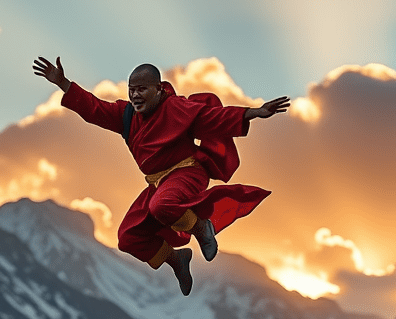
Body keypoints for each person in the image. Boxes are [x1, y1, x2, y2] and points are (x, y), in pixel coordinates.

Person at [32, 56, 289, 295]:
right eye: (131, 89)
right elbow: (94, 108)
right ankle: (177, 259)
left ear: (158, 89)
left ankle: (202, 228)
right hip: (159, 183)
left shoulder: (177, 108)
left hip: (188, 172)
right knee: (128, 237)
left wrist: (253, 112)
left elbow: (212, 117)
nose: (135, 95)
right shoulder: (126, 116)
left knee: (162, 205)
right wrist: (64, 84)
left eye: (141, 89)